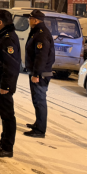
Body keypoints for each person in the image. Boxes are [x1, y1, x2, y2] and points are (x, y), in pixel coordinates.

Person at [0, 9, 21, 158]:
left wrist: (5, 85)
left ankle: (7, 148)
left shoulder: (8, 39)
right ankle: (4, 140)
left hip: (4, 84)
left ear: (0, 22)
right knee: (4, 114)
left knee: (8, 115)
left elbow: (11, 65)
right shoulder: (4, 35)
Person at [24, 9, 55, 138]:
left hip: (41, 74)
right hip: (38, 72)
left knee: (40, 100)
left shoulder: (41, 34)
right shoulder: (36, 32)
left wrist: (36, 74)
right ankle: (38, 123)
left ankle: (40, 130)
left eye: (30, 19)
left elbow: (41, 56)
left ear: (36, 20)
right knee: (36, 100)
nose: (29, 21)